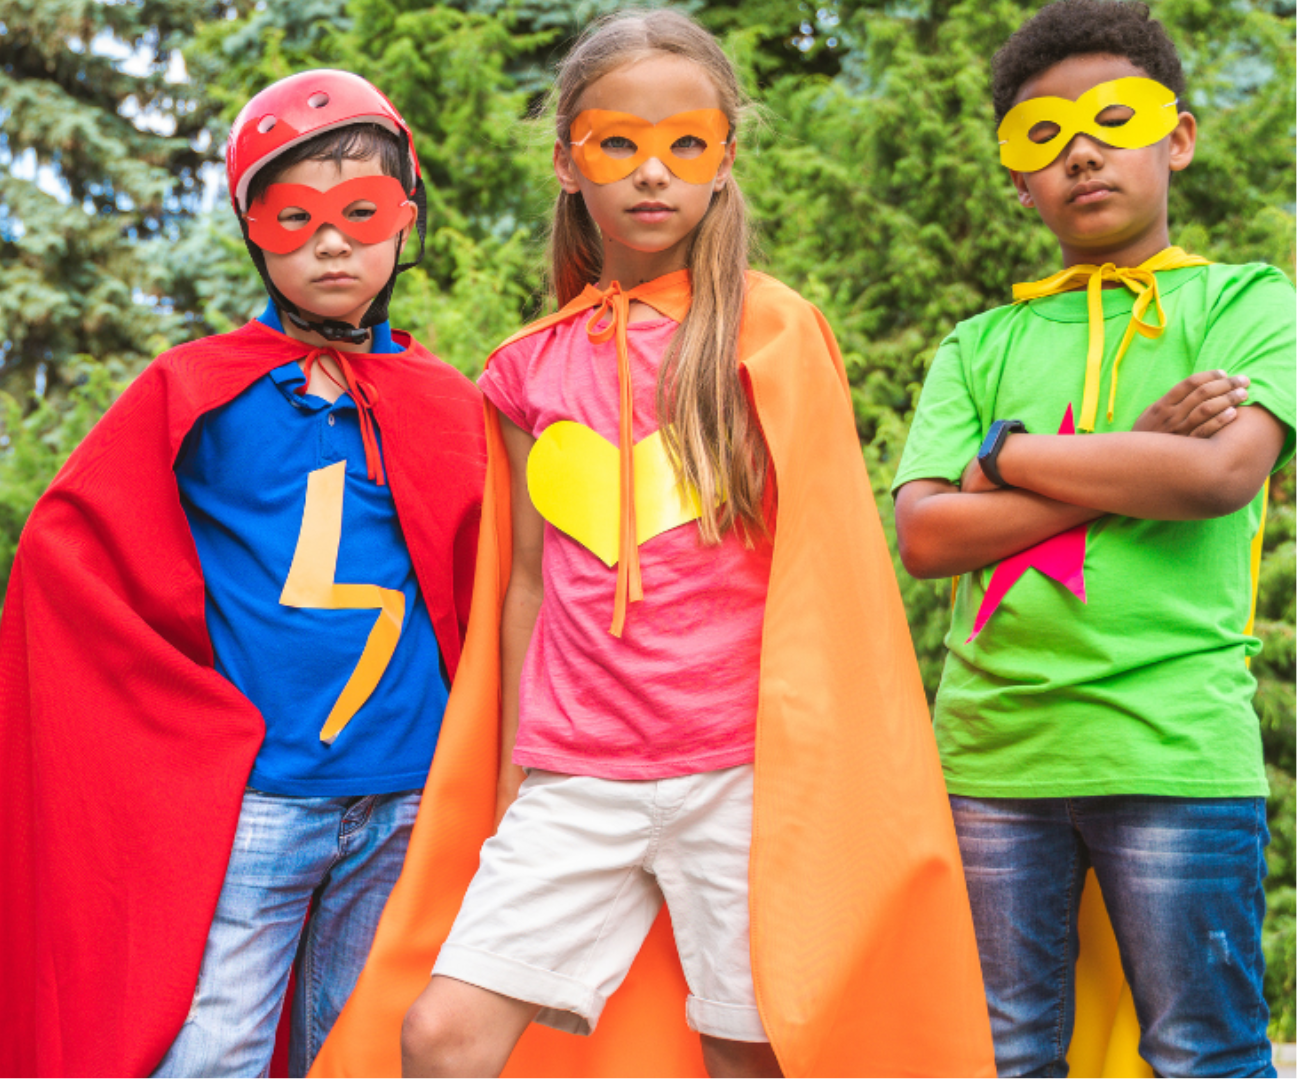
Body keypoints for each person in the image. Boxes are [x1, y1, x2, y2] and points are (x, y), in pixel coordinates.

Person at [325, 9, 991, 1076]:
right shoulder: (527, 369)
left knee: (748, 1054)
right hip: (576, 774)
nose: (652, 174)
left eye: (686, 144)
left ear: (724, 162)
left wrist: (823, 776)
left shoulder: (770, 333)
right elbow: (529, 586)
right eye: (617, 144)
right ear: (566, 160)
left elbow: (825, 577)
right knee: (440, 1034)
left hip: (742, 774)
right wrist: (507, 782)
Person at [0, 70, 488, 1078]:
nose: (331, 242)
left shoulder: (449, 404)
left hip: (407, 791)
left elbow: (491, 595)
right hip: (262, 793)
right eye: (296, 217)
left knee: (359, 1047)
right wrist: (177, 720)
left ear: (404, 221)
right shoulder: (194, 389)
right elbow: (80, 559)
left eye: (361, 213)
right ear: (254, 227)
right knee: (216, 1049)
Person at [891, 2, 1293, 1075]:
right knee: (1001, 1056)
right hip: (990, 759)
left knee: (1203, 1055)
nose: (1080, 150)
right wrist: (1134, 457)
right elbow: (926, 536)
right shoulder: (977, 344)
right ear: (1016, 177)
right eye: (1043, 136)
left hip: (1176, 749)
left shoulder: (1248, 302)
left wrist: (1008, 459)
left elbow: (1217, 475)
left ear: (1180, 137)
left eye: (1114, 120)